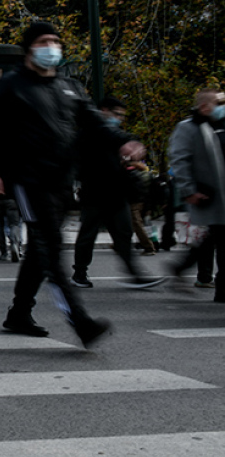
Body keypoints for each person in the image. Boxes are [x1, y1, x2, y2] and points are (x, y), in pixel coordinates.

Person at [0, 21, 144, 348]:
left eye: (56, 40)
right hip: (28, 181)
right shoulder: (11, 86)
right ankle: (79, 321)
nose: (52, 46)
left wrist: (123, 141)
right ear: (29, 49)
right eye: (44, 41)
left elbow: (95, 123)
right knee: (51, 249)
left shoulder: (69, 88)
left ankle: (19, 313)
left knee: (41, 251)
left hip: (61, 182)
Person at [71, 97, 164, 289]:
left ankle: (134, 273)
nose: (119, 119)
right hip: (95, 192)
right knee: (89, 235)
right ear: (104, 110)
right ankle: (80, 272)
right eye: (116, 114)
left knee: (123, 233)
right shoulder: (91, 130)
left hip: (113, 192)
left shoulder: (108, 132)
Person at [167, 88, 225, 302]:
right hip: (208, 194)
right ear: (204, 106)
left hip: (219, 195)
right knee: (218, 238)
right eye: (218, 103)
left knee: (214, 239)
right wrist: (189, 190)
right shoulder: (188, 128)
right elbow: (179, 160)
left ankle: (182, 269)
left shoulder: (216, 126)